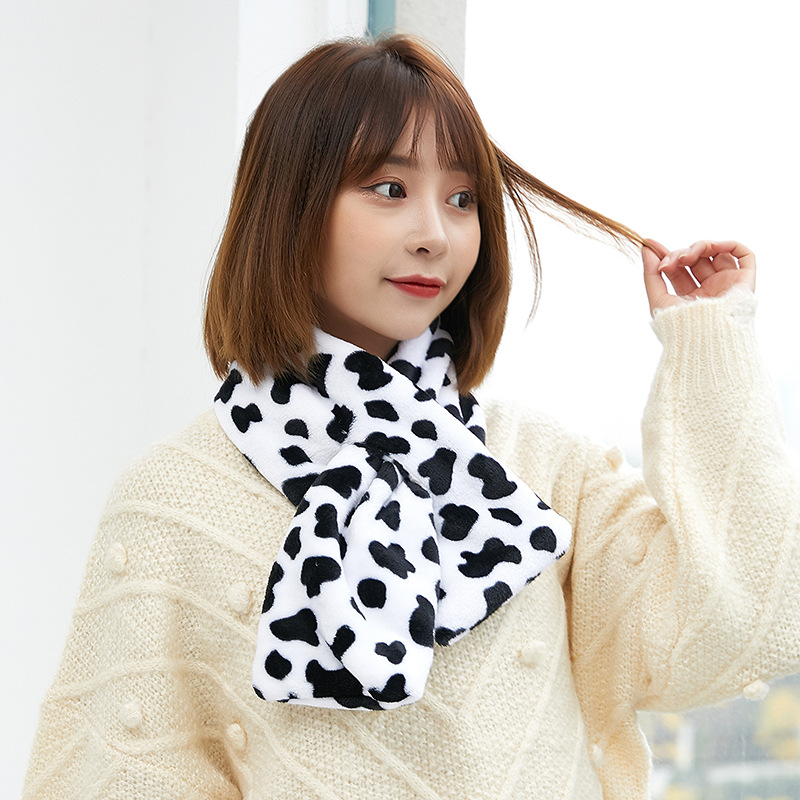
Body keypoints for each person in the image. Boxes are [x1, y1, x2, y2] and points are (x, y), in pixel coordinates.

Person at [22, 34, 799, 800]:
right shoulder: (175, 501)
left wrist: (708, 341)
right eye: (390, 189)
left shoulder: (538, 466)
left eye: (462, 199)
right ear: (290, 207)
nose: (435, 235)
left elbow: (745, 619)